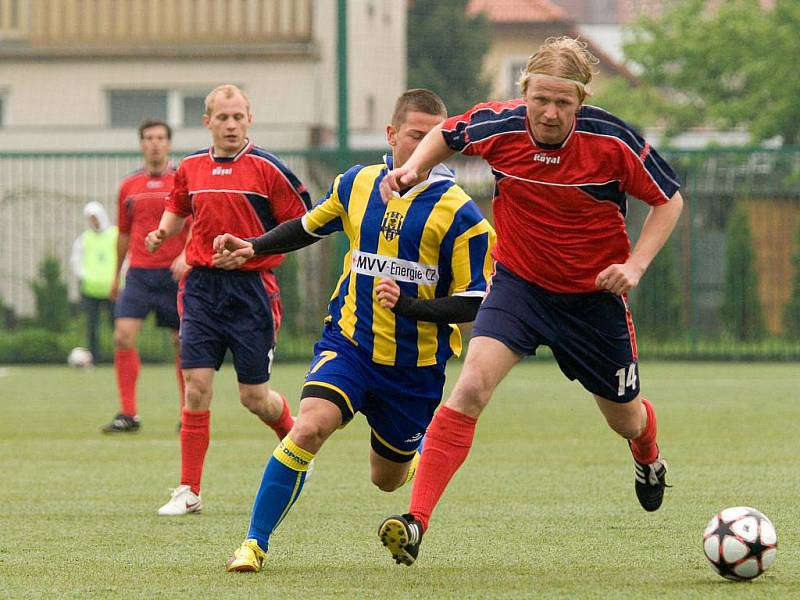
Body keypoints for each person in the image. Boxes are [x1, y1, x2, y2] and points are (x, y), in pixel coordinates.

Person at [377, 37, 685, 566]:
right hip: (519, 286)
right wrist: (414, 170)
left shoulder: (612, 141)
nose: (549, 112)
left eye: (563, 103)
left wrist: (634, 266)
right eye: (540, 98)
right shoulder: (500, 124)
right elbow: (445, 134)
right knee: (470, 386)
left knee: (626, 420)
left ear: (581, 102)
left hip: (592, 301)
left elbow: (669, 200)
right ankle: (416, 521)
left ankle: (647, 454)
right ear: (524, 92)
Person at [215, 88, 495, 573]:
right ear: (391, 135)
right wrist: (253, 247)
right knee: (310, 425)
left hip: (415, 369)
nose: (425, 144)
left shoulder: (462, 214)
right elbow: (307, 226)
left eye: (435, 137)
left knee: (385, 479)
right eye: (415, 134)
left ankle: (410, 453)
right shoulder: (355, 184)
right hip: (350, 344)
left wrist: (408, 306)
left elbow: (476, 302)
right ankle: (253, 545)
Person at [145, 84, 311, 516]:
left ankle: (296, 444)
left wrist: (255, 250)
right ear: (208, 122)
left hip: (252, 291)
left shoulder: (269, 169)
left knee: (254, 398)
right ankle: (189, 490)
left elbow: (303, 224)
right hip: (201, 289)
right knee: (197, 388)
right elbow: (179, 203)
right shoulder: (191, 167)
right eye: (223, 118)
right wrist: (165, 230)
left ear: (249, 119)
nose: (231, 125)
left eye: (238, 117)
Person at [100, 119, 190, 434]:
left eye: (160, 138)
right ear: (141, 144)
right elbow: (123, 233)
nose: (154, 143)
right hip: (139, 274)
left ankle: (188, 414)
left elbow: (198, 224)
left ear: (168, 143)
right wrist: (116, 276)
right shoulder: (129, 186)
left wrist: (185, 256)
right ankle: (128, 414)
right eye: (149, 138)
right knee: (123, 334)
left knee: (182, 342)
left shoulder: (182, 180)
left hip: (174, 275)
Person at [70, 201, 118, 364]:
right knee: (92, 327)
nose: (93, 222)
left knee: (117, 326)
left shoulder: (115, 234)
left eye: (95, 218)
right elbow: (76, 261)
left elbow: (127, 256)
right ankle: (94, 359)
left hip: (113, 289)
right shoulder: (84, 239)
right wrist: (85, 276)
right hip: (91, 290)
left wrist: (119, 277)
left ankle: (120, 357)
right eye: (90, 219)